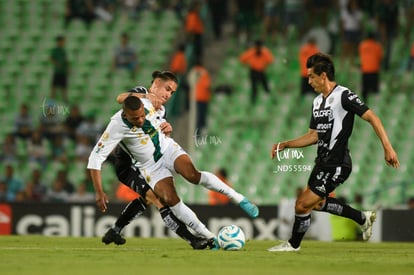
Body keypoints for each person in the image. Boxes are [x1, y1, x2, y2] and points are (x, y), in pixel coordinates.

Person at [88, 71, 258, 248]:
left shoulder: (159, 107)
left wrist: (166, 127)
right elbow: (120, 99)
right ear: (155, 83)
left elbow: (157, 122)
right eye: (167, 89)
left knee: (192, 175)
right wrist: (99, 192)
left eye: (172, 92)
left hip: (168, 149)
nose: (168, 95)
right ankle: (208, 236)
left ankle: (239, 198)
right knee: (168, 200)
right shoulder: (124, 116)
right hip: (147, 166)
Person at [267, 53, 399, 252]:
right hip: (322, 162)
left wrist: (387, 147)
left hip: (338, 162)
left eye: (311, 76)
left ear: (323, 76)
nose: (309, 81)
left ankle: (293, 245)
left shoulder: (344, 95)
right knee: (317, 205)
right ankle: (362, 218)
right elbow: (313, 136)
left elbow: (373, 117)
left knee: (302, 205)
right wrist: (286, 144)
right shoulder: (317, 103)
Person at [187, 58, 211, 133]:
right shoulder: (204, 73)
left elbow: (189, 83)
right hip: (203, 97)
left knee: (194, 116)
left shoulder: (192, 72)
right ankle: (200, 133)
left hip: (194, 97)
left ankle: (195, 132)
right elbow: (207, 85)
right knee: (201, 116)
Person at [358, 32, 383, 101]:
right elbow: (380, 57)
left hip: (365, 70)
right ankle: (375, 103)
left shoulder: (362, 45)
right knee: (374, 90)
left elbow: (360, 55)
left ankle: (365, 102)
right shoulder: (377, 46)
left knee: (365, 90)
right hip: (374, 70)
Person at [50, 35, 69, 102]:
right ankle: (52, 99)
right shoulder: (55, 50)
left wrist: (67, 68)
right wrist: (57, 64)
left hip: (62, 71)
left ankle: (65, 99)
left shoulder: (63, 51)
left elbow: (66, 61)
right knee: (54, 86)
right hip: (57, 71)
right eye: (61, 41)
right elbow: (51, 58)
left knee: (64, 87)